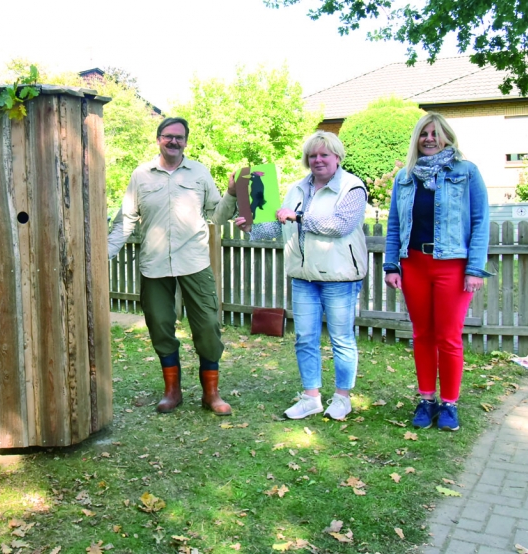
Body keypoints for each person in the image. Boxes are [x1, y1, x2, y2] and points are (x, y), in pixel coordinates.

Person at [232, 131, 367, 421]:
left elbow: (341, 225)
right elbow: (277, 228)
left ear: (337, 157)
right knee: (305, 338)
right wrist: (249, 226)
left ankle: (342, 398)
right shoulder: (296, 189)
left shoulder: (352, 187)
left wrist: (301, 217)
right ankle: (311, 397)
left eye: (324, 155)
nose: (317, 160)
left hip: (340, 277)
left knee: (341, 339)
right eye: (312, 155)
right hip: (303, 277)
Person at [107, 117, 236, 416]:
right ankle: (172, 391)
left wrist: (231, 193)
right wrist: (104, 256)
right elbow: (125, 221)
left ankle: (211, 393)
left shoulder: (199, 173)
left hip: (194, 263)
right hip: (154, 266)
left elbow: (216, 216)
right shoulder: (141, 176)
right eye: (168, 136)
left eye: (179, 137)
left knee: (206, 326)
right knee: (160, 326)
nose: (174, 142)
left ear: (186, 142)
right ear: (158, 139)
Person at [384, 113, 491, 432]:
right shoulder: (404, 177)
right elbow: (394, 224)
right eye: (423, 134)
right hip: (414, 264)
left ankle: (449, 404)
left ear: (447, 137)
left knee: (448, 337)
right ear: (416, 139)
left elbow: (480, 221)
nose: (429, 138)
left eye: (436, 133)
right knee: (422, 335)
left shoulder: (466, 172)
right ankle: (426, 399)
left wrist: (474, 268)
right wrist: (392, 264)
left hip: (453, 266)